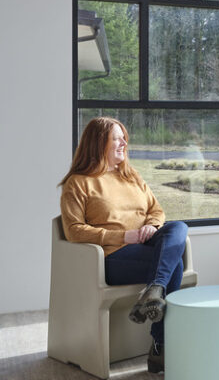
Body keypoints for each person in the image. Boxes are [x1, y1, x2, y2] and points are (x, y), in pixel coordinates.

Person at [59, 117, 188, 374]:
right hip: (112, 258)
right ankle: (160, 344)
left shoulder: (130, 176)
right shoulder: (78, 183)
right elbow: (73, 231)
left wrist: (152, 225)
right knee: (176, 265)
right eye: (117, 138)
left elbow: (156, 209)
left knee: (179, 228)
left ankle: (154, 290)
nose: (124, 142)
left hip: (145, 244)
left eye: (123, 137)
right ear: (98, 143)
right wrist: (123, 236)